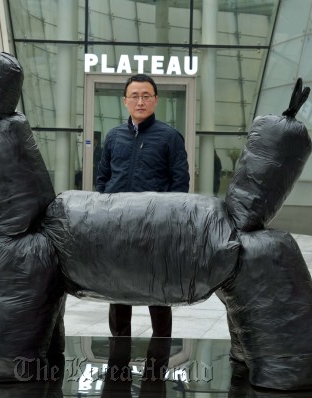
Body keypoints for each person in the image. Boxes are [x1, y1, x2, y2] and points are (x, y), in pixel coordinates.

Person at [95, 73, 190, 343]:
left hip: (154, 227)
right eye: (134, 96)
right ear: (125, 101)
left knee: (157, 289)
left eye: (146, 96)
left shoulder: (169, 137)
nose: (140, 101)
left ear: (155, 100)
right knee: (118, 289)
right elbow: (102, 178)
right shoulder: (114, 137)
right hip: (117, 225)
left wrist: (168, 220)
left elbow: (180, 183)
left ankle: (161, 348)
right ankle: (119, 346)